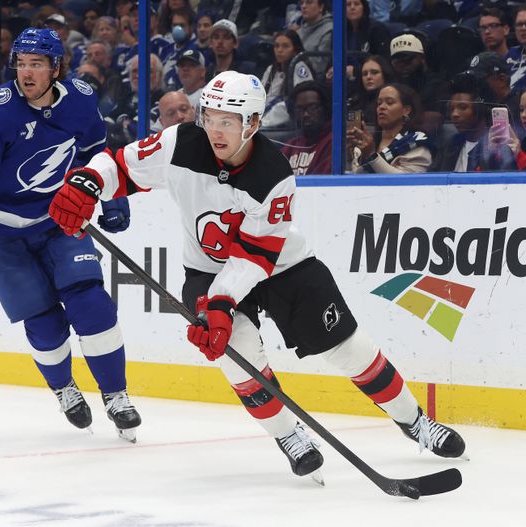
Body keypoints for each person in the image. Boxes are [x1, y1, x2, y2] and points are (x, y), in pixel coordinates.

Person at [48, 70, 467, 480]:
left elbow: (254, 256)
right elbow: (121, 166)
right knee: (236, 355)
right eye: (209, 118)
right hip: (207, 270)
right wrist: (88, 181)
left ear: (252, 123)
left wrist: (221, 301)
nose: (215, 130)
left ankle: (414, 422)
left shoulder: (275, 175)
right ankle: (289, 436)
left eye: (227, 122)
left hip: (282, 266)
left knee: (348, 348)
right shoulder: (179, 143)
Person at [0, 27, 142, 441]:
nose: (27, 73)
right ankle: (64, 387)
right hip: (2, 232)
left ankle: (116, 394)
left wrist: (112, 191)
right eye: (21, 63)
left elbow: (94, 153)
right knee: (44, 323)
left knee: (91, 303)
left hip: (59, 219)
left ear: (56, 68)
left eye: (36, 64)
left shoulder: (81, 100)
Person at [430, 71, 516, 172]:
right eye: (451, 109)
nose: (454, 114)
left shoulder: (497, 144)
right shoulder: (450, 145)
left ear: (480, 109)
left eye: (463, 107)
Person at [347, 83, 432, 173]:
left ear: (406, 110)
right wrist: (349, 154)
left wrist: (372, 156)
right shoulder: (367, 144)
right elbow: (355, 179)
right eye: (379, 103)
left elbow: (405, 183)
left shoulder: (416, 143)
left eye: (389, 102)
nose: (381, 107)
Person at [260, 30, 314, 128]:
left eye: (285, 46)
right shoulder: (271, 69)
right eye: (277, 46)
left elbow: (296, 103)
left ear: (295, 50)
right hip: (265, 121)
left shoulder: (300, 67)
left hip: (287, 125)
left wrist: (262, 124)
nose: (279, 50)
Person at [281, 81, 332, 175]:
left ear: (326, 108)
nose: (305, 114)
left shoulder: (333, 143)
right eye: (299, 109)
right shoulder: (291, 145)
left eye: (312, 107)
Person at [347, 54, 395, 127]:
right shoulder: (355, 102)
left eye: (374, 72)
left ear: (385, 74)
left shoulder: (395, 100)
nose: (368, 77)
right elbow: (353, 131)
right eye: (364, 74)